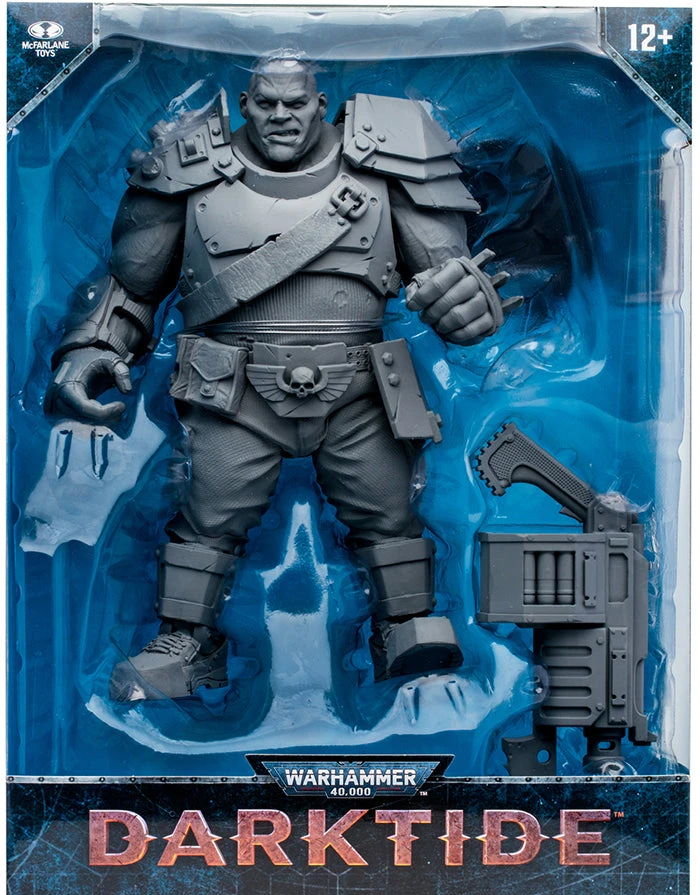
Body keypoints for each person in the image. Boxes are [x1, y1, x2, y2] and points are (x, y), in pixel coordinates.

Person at [46, 53, 519, 701]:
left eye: (294, 104)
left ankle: (406, 626)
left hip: (360, 385)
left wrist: (464, 307)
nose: (280, 117)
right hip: (230, 386)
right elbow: (132, 284)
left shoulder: (390, 156)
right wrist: (93, 347)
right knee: (209, 517)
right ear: (244, 105)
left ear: (320, 105)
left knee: (388, 513)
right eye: (265, 104)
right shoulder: (189, 162)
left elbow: (447, 268)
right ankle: (187, 644)